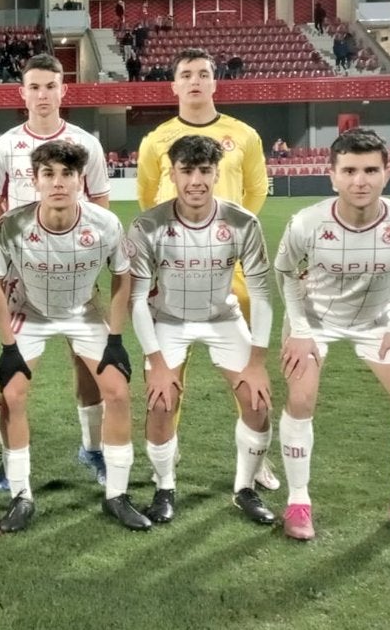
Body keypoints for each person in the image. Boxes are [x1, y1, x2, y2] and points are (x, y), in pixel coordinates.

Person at [274, 128, 390, 543]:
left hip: (376, 322)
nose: (360, 180)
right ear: (331, 175)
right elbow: (284, 271)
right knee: (300, 398)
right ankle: (299, 502)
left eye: (371, 170)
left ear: (388, 174)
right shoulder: (307, 223)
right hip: (313, 321)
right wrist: (298, 329)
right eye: (349, 170)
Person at [0, 140, 148, 533]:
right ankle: (21, 495)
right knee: (11, 396)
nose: (59, 182)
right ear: (35, 180)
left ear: (80, 181)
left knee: (119, 392)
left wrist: (115, 338)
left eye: (68, 174)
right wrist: (8, 345)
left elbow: (122, 277)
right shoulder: (12, 224)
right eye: (49, 174)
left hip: (84, 312)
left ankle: (118, 495)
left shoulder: (105, 224)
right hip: (30, 312)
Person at [135, 47, 277, 491]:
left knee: (248, 374)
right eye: (186, 74)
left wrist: (224, 236)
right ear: (174, 84)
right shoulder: (157, 138)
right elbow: (146, 196)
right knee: (166, 374)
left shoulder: (244, 134)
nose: (195, 81)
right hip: (172, 262)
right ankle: (166, 450)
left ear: (215, 81)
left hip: (229, 263)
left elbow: (255, 189)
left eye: (203, 73)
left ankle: (258, 461)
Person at [0, 53, 112, 491]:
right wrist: (14, 254)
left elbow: (101, 205)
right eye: (33, 86)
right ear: (22, 93)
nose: (42, 94)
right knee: (13, 373)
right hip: (24, 276)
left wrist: (87, 260)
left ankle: (92, 448)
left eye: (50, 86)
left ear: (63, 90)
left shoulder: (85, 144)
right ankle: (9, 462)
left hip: (75, 273)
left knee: (86, 364)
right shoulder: (5, 145)